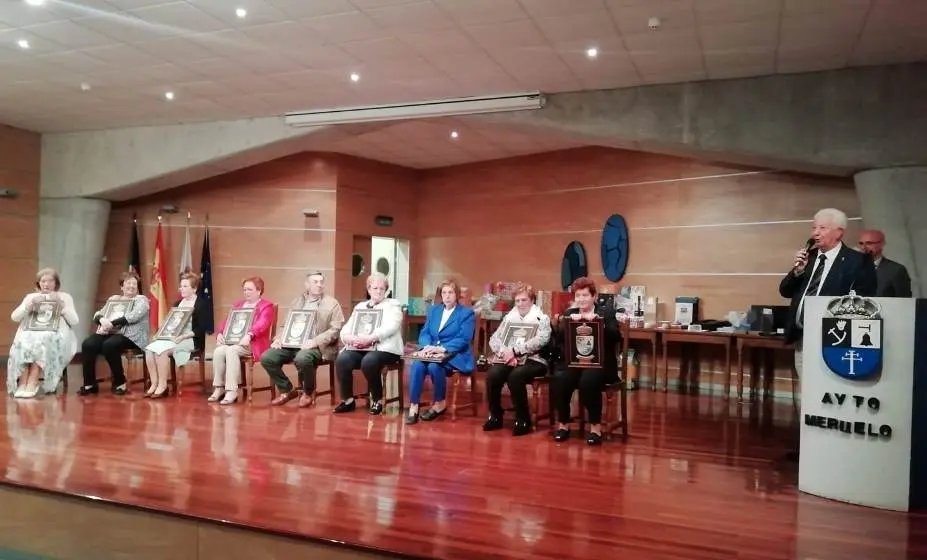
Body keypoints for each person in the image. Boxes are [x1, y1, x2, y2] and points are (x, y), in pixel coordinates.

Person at [780, 208, 877, 374]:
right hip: (802, 337)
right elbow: (785, 291)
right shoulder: (808, 258)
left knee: (827, 392)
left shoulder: (858, 261)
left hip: (835, 339)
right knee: (806, 391)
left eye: (822, 228)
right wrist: (797, 272)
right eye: (814, 228)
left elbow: (863, 300)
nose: (815, 233)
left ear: (839, 232)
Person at [550, 277, 621, 445]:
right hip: (576, 363)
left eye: (585, 295)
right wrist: (561, 325)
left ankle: (595, 428)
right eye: (578, 296)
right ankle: (563, 424)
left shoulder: (606, 313)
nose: (581, 299)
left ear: (594, 296)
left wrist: (599, 323)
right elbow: (559, 340)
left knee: (588, 381)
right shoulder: (570, 314)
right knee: (560, 379)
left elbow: (616, 337)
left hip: (601, 364)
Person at [261, 271, 345, 407]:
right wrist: (279, 338)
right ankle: (287, 390)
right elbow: (284, 325)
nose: (319, 285)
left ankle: (308, 392)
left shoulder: (332, 303)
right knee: (267, 357)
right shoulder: (297, 301)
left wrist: (315, 341)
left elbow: (335, 329)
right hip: (292, 344)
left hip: (317, 347)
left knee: (302, 357)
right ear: (307, 285)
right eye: (315, 282)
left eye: (321, 282)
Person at [482, 283, 552, 436]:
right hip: (509, 358)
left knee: (516, 376)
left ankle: (523, 419)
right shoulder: (509, 318)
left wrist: (515, 351)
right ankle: (495, 416)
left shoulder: (542, 318)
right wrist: (505, 353)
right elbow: (494, 339)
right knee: (493, 375)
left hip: (535, 359)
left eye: (524, 300)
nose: (520, 304)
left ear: (532, 300)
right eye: (517, 301)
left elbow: (542, 339)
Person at [405, 279, 476, 425]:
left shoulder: (466, 313)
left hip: (456, 354)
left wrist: (441, 348)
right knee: (418, 365)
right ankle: (414, 406)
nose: (447, 296)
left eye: (450, 292)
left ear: (456, 295)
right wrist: (427, 347)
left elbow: (464, 338)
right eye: (444, 293)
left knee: (433, 366)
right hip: (432, 352)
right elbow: (424, 333)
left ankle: (439, 403)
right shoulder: (434, 310)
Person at [333, 272, 403, 416]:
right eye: (375, 288)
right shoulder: (360, 306)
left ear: (386, 290)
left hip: (385, 348)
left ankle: (376, 399)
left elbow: (391, 327)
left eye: (381, 289)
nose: (378, 291)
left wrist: (371, 338)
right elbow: (347, 327)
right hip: (362, 347)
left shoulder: (393, 306)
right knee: (343, 359)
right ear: (369, 289)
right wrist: (348, 337)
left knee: (369, 361)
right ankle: (348, 400)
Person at [7, 268, 79, 398]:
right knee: (24, 340)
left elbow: (74, 320)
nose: (46, 284)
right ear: (38, 283)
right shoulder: (31, 297)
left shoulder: (64, 297)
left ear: (56, 283)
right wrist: (28, 306)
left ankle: (33, 381)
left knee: (43, 339)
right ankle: (23, 382)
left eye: (50, 281)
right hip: (31, 332)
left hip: (56, 334)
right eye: (43, 281)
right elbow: (14, 317)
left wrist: (61, 305)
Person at [78, 271, 150, 396]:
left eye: (134, 283)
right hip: (109, 333)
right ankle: (89, 384)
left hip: (131, 336)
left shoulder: (141, 300)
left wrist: (112, 323)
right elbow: (98, 313)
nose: (131, 286)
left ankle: (120, 382)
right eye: (128, 283)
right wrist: (101, 319)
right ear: (122, 286)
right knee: (88, 344)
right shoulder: (114, 299)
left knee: (109, 345)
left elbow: (133, 317)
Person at [208, 277, 275, 405]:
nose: (246, 292)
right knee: (219, 351)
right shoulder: (238, 305)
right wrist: (220, 333)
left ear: (259, 291)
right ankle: (219, 388)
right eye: (244, 289)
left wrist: (250, 334)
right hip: (234, 342)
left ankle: (232, 390)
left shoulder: (266, 306)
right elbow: (226, 321)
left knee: (231, 350)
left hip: (253, 343)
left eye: (249, 289)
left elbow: (263, 324)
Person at [144, 272, 210, 399]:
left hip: (191, 339)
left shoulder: (201, 304)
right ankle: (154, 383)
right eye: (181, 286)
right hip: (173, 338)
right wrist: (159, 334)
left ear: (194, 288)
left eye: (185, 286)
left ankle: (163, 386)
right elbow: (169, 324)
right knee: (149, 349)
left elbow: (201, 329)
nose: (182, 289)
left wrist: (182, 337)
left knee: (161, 352)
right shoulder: (177, 304)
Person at [858, 230, 913, 297]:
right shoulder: (852, 268)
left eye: (869, 243)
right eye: (861, 243)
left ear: (882, 244)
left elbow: (904, 300)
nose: (863, 247)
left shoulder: (896, 270)